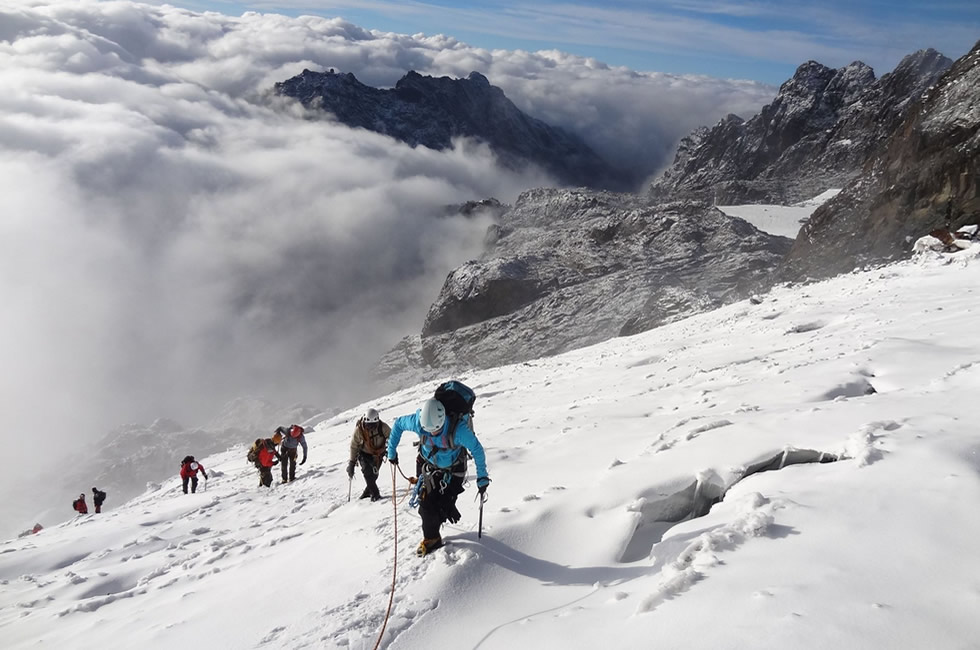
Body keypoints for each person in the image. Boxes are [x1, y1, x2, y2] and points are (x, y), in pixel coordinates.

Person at [387, 398, 490, 556]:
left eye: (435, 430)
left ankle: (438, 522)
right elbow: (398, 424)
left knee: (441, 506)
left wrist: (482, 477)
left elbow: (477, 449)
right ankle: (432, 538)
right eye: (427, 431)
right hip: (427, 466)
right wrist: (391, 453)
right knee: (426, 505)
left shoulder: (458, 430)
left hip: (453, 471)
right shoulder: (417, 422)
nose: (431, 434)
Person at [347, 408, 391, 501]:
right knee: (367, 473)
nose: (370, 428)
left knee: (374, 475)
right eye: (368, 425)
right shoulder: (359, 430)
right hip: (364, 454)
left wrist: (390, 449)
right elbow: (354, 446)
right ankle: (375, 494)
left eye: (373, 425)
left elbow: (392, 437)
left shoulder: (383, 427)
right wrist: (352, 462)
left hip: (378, 454)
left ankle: (367, 492)